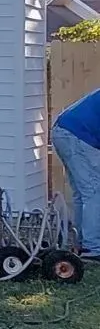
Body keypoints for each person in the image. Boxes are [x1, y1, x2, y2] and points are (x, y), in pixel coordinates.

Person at [52, 87, 100, 252]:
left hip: (64, 130)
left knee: (83, 192)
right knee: (94, 191)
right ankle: (93, 248)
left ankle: (81, 242)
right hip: (76, 135)